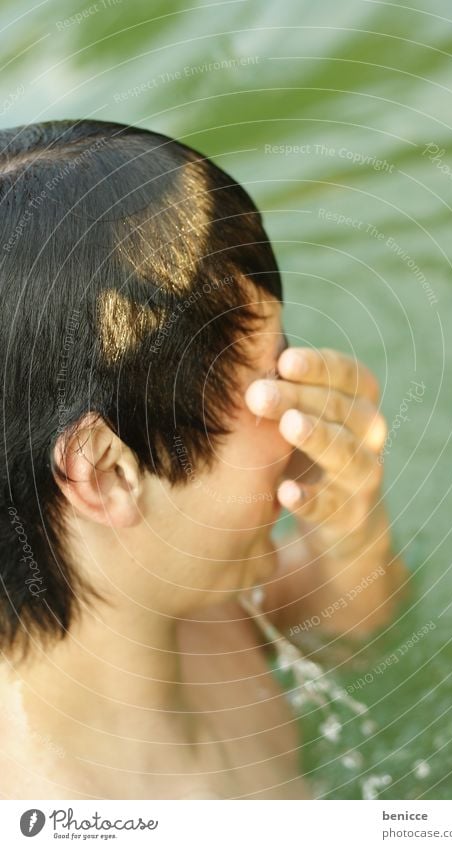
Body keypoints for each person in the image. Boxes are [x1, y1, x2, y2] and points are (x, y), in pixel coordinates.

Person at [0, 119, 408, 799]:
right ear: (107, 471)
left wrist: (348, 532)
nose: (298, 407)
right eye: (273, 370)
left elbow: (348, 636)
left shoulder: (174, 604)